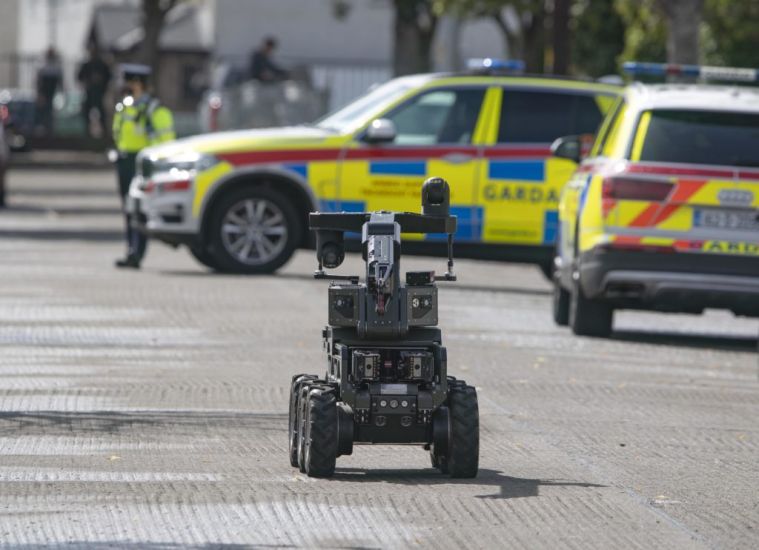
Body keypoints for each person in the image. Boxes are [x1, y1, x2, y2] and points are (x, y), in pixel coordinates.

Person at [112, 64, 175, 269]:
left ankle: (136, 253)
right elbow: (118, 133)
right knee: (128, 210)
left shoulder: (155, 111)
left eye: (130, 83)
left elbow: (165, 141)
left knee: (139, 211)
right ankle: (131, 250)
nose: (126, 87)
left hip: (144, 164)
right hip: (125, 161)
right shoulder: (124, 107)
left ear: (140, 84)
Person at [77, 43, 112, 137]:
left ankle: (104, 132)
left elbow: (109, 77)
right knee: (86, 112)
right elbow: (79, 77)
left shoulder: (102, 65)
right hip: (89, 92)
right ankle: (87, 132)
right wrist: (87, 82)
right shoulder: (87, 65)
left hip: (100, 92)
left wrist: (101, 82)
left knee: (101, 112)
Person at [35, 47, 63, 136]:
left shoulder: (56, 68)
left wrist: (62, 92)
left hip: (53, 93)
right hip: (45, 93)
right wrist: (39, 93)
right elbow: (39, 82)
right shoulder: (43, 67)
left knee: (51, 111)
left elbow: (60, 81)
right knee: (44, 111)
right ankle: (44, 128)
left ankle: (50, 129)